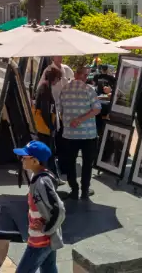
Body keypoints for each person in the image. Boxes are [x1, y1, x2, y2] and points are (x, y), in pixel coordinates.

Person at [14, 140, 66, 273]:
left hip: (41, 240)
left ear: (36, 161)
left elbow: (59, 209)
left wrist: (46, 228)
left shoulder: (42, 182)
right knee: (49, 269)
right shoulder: (37, 178)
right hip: (42, 238)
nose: (21, 160)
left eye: (25, 157)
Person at [57, 66, 102, 200]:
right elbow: (97, 109)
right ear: (83, 76)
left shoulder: (64, 90)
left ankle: (74, 189)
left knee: (70, 162)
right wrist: (81, 119)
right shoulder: (89, 90)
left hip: (70, 134)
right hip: (88, 134)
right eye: (86, 75)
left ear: (75, 74)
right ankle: (85, 189)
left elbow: (60, 109)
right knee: (87, 163)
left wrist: (70, 120)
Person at [33, 67, 62, 144]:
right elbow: (44, 110)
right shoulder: (44, 89)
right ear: (54, 78)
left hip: (44, 127)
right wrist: (51, 127)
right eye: (59, 78)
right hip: (44, 128)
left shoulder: (46, 88)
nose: (58, 81)